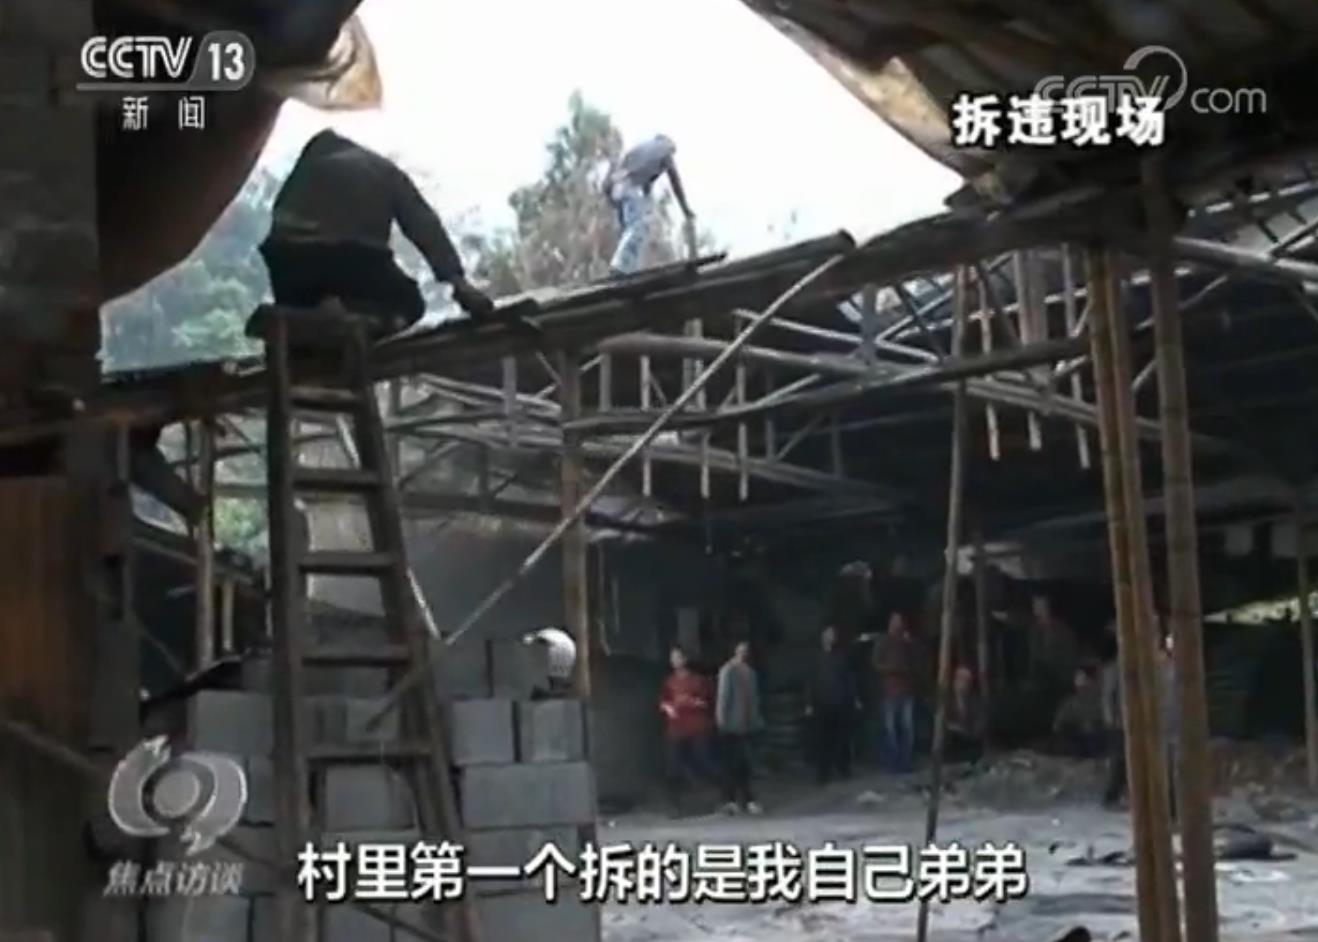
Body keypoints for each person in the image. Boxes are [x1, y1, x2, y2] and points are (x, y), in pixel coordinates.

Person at [259, 129, 494, 338]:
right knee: (410, 303)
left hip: (289, 271)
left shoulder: (305, 169)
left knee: (304, 300)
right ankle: (359, 317)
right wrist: (458, 281)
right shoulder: (382, 169)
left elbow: (278, 231)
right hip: (348, 258)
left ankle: (320, 312)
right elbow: (423, 224)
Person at [604, 134, 695, 275]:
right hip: (629, 185)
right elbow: (675, 182)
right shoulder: (664, 149)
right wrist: (685, 209)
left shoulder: (643, 150)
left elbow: (642, 181)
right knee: (640, 224)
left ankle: (628, 267)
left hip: (618, 187)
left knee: (632, 228)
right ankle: (621, 265)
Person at [658, 646, 720, 815]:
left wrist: (690, 701)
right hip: (676, 727)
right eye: (672, 657)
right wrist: (669, 708)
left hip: (697, 726)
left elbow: (707, 702)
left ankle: (717, 797)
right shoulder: (669, 681)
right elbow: (663, 702)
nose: (675, 660)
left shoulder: (698, 680)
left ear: (685, 659)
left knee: (704, 761)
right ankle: (675, 806)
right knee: (672, 767)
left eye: (678, 657)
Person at [805, 626, 859, 784]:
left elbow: (849, 678)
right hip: (822, 703)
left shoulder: (841, 656)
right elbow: (810, 682)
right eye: (828, 635)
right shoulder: (815, 658)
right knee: (822, 739)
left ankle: (842, 767)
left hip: (839, 702)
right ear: (823, 638)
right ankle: (823, 772)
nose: (831, 637)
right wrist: (808, 703)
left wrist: (854, 698)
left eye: (833, 635)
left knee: (841, 738)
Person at [715, 640, 763, 814]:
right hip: (731, 725)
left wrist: (756, 721)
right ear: (735, 651)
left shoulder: (750, 673)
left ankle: (745, 799)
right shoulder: (728, 670)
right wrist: (721, 721)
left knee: (744, 764)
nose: (743, 653)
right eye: (740, 650)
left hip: (746, 725)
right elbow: (723, 697)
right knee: (731, 764)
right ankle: (730, 800)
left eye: (746, 650)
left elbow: (754, 699)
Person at [872, 612, 917, 773]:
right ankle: (893, 763)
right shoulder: (883, 641)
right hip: (889, 691)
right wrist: (892, 669)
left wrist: (909, 644)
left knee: (908, 728)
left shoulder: (905, 642)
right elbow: (875, 663)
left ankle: (906, 762)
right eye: (896, 621)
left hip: (906, 691)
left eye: (900, 621)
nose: (899, 624)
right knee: (890, 729)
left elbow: (915, 662)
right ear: (890, 623)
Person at [1052, 667, 1106, 758]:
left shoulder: (1099, 701)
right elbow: (1058, 723)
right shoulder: (1070, 702)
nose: (1083, 690)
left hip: (1096, 735)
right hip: (1078, 737)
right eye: (1080, 688)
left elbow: (1105, 720)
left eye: (1085, 688)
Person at [945, 665, 986, 764]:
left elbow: (979, 727)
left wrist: (961, 730)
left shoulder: (976, 701)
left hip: (970, 747)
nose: (964, 683)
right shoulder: (946, 701)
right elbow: (943, 725)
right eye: (961, 679)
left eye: (967, 681)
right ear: (954, 681)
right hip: (951, 749)